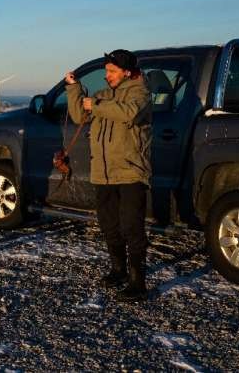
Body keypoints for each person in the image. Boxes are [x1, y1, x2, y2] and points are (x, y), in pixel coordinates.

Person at [64, 49, 152, 302]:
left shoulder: (140, 93)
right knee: (109, 225)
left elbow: (129, 113)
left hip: (130, 172)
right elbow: (80, 115)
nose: (107, 76)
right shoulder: (103, 95)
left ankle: (138, 282)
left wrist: (98, 105)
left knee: (131, 227)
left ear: (127, 72)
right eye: (106, 72)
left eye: (112, 71)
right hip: (102, 173)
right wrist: (74, 89)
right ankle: (118, 270)